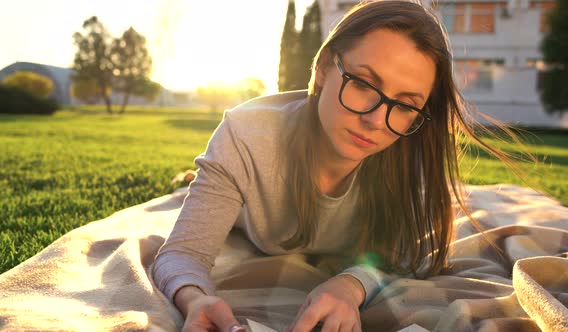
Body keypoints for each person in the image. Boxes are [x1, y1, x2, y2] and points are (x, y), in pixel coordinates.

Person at [152, 1, 521, 331]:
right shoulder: (246, 135)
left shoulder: (410, 155)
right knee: (202, 193)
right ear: (324, 69)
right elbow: (183, 253)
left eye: (406, 105)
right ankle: (195, 181)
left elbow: (409, 254)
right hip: (243, 202)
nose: (377, 121)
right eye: (363, 83)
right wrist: (195, 299)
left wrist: (351, 284)